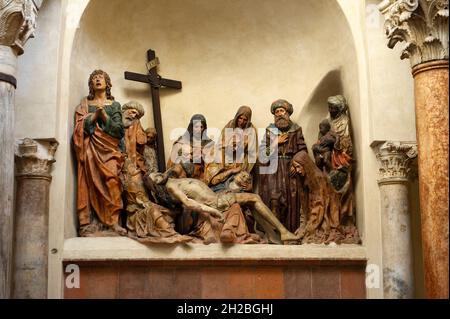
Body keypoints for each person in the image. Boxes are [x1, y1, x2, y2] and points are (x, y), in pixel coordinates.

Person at [149, 165, 300, 243]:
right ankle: (283, 232)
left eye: (156, 173)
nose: (158, 175)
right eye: (154, 179)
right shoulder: (171, 187)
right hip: (216, 203)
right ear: (157, 186)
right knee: (254, 198)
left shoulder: (173, 179)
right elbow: (188, 203)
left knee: (251, 202)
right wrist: (213, 211)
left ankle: (274, 236)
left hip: (218, 196)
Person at [73, 69, 126, 236]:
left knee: (112, 181)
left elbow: (119, 130)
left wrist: (104, 116)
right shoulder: (85, 105)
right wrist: (93, 116)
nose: (97, 80)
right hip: (92, 148)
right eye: (94, 78)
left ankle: (114, 221)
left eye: (100, 78)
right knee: (92, 183)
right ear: (91, 84)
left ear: (107, 83)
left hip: (110, 149)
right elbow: (79, 126)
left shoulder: (114, 105)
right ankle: (95, 222)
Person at [258, 99, 307, 233]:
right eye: (276, 112)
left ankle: (291, 231)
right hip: (274, 170)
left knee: (291, 200)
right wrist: (275, 143)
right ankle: (274, 233)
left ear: (287, 113)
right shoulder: (270, 131)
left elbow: (302, 151)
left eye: (282, 111)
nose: (279, 114)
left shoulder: (296, 130)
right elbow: (262, 154)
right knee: (275, 199)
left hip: (291, 169)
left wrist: (297, 164)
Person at [290, 151, 360, 244]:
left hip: (327, 212)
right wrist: (304, 224)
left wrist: (309, 227)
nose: (297, 170)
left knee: (315, 234)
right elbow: (307, 205)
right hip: (317, 213)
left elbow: (320, 205)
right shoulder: (307, 178)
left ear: (305, 164)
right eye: (295, 167)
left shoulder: (317, 178)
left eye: (298, 166)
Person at [167, 114, 214, 181]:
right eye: (196, 127)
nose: (199, 130)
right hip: (182, 171)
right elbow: (172, 160)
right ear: (191, 127)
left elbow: (211, 165)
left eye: (201, 127)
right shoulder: (182, 141)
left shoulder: (208, 143)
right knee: (177, 170)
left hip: (199, 174)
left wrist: (201, 155)